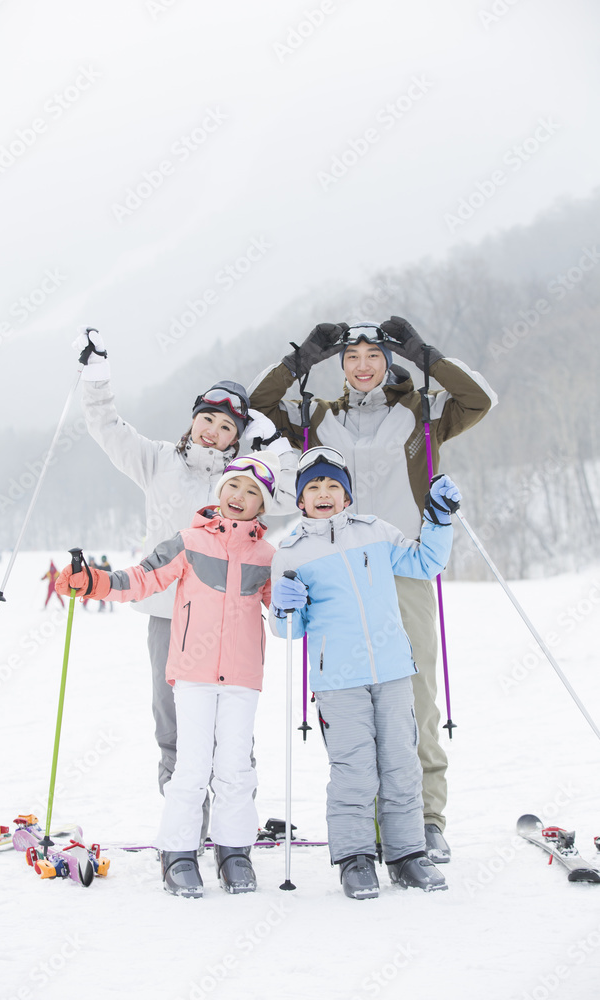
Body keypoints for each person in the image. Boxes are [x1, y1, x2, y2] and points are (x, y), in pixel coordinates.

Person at [251, 318, 497, 862]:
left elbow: (477, 399)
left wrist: (425, 355)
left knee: (415, 698)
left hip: (402, 563)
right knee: (354, 703)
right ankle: (368, 823)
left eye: (375, 356)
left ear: (389, 363)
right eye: (351, 357)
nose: (363, 365)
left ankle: (425, 819)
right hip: (338, 570)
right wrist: (299, 362)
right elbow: (257, 405)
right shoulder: (317, 418)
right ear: (339, 367)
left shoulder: (421, 412)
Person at [74, 329, 296, 843]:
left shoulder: (247, 481)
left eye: (226, 427)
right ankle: (186, 830)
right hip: (167, 616)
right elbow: (106, 425)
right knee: (172, 726)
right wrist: (96, 376)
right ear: (192, 419)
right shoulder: (156, 460)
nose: (213, 432)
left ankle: (234, 828)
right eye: (207, 420)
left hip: (231, 621)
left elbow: (296, 489)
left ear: (238, 438)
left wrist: (272, 441)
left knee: (231, 730)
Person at [57, 452, 280, 897]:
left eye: (254, 492)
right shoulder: (188, 542)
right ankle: (178, 852)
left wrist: (303, 599)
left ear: (263, 506)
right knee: (192, 766)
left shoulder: (268, 555)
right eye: (234, 486)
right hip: (194, 674)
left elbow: (286, 613)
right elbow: (142, 578)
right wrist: (95, 582)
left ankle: (234, 850)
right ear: (220, 492)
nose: (241, 496)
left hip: (242, 678)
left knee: (236, 768)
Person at [270, 447, 461, 898]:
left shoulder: (376, 532)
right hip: (337, 680)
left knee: (400, 764)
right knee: (354, 770)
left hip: (393, 669)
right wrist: (283, 605)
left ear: (347, 496)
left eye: (333, 485)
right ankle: (355, 857)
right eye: (313, 487)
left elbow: (425, 563)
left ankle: (407, 854)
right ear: (300, 500)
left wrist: (438, 520)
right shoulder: (291, 552)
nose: (324, 493)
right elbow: (287, 629)